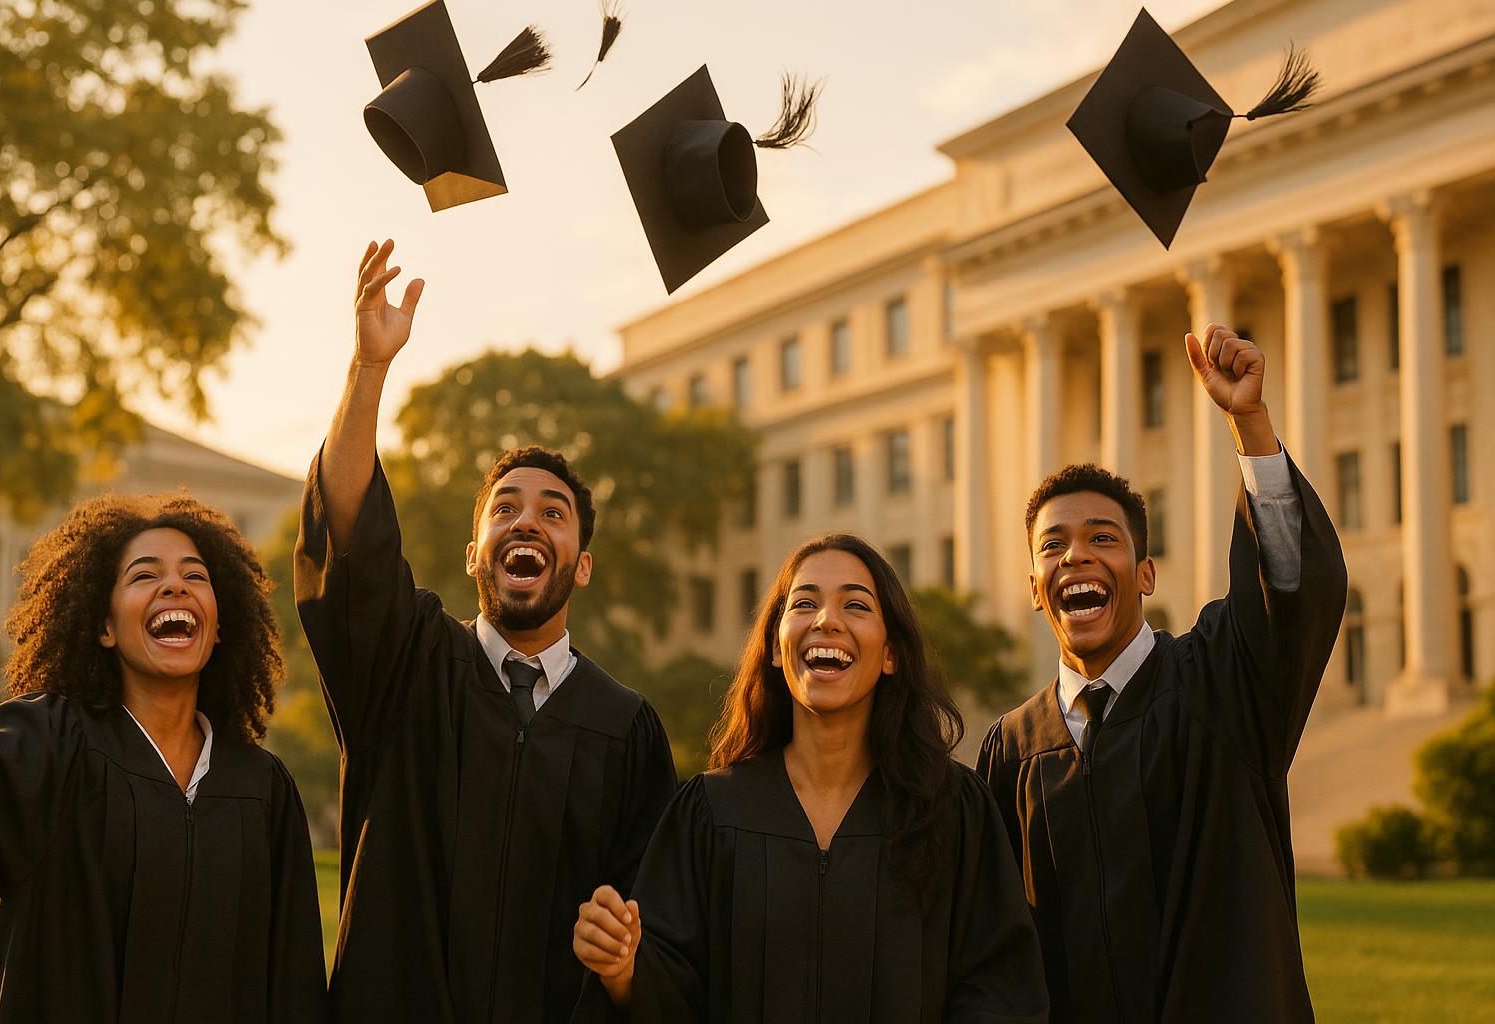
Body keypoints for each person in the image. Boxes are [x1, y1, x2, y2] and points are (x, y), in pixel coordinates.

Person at [294, 239, 678, 1022]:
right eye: (505, 508)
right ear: (474, 555)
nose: (525, 521)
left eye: (552, 513)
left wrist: (626, 961)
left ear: (582, 565)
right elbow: (350, 537)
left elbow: (660, 940)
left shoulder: (627, 731)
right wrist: (369, 369)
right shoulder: (406, 663)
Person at [978, 325, 1348, 1023]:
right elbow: (989, 942)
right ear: (1034, 588)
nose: (1076, 556)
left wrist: (1250, 422)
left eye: (1103, 538)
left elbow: (1292, 590)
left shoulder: (1221, 684)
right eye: (1053, 545)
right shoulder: (1011, 752)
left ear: (1145, 574)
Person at [574, 533, 1050, 1023]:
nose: (826, 620)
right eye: (804, 603)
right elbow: (670, 986)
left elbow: (1000, 992)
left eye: (856, 605)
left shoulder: (951, 810)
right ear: (776, 649)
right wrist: (623, 968)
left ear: (891, 653)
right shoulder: (712, 812)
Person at [0, 493, 326, 1022]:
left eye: (195, 576)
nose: (174, 585)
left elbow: (293, 988)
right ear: (104, 627)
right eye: (144, 575)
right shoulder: (53, 744)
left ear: (219, 627)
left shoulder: (262, 789)